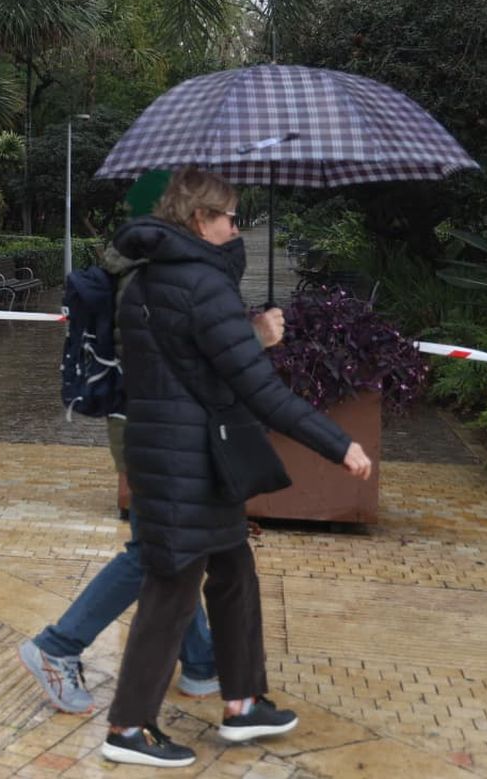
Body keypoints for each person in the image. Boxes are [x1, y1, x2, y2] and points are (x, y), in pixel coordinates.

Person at [99, 168, 372, 768]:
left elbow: (188, 363)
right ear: (200, 220)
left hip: (176, 453)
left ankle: (244, 703)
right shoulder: (203, 286)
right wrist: (337, 443)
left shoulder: (145, 279)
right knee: (171, 589)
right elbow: (258, 390)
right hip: (188, 462)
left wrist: (250, 331)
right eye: (229, 217)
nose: (237, 228)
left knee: (233, 570)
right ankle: (127, 728)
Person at [19, 239, 286, 716]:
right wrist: (254, 339)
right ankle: (58, 646)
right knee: (152, 553)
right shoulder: (156, 273)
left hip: (159, 429)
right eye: (223, 216)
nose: (232, 226)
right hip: (154, 432)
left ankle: (200, 662)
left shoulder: (163, 263)